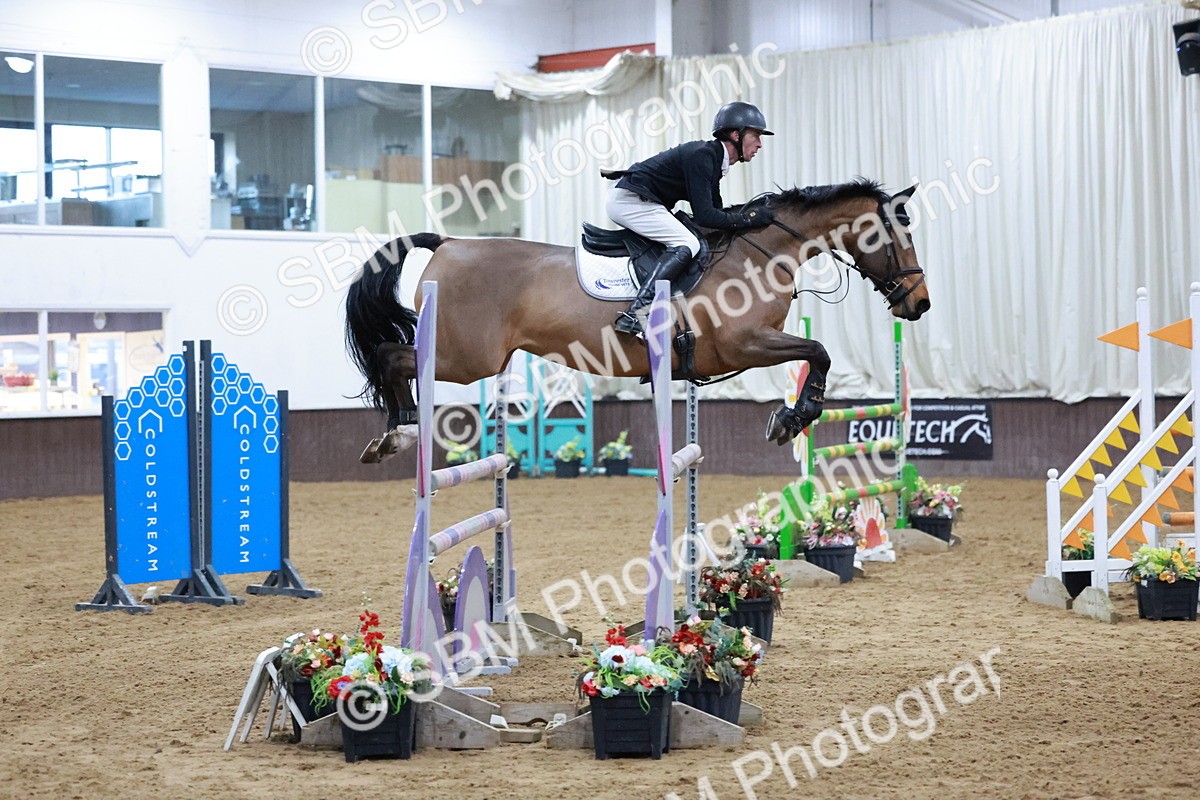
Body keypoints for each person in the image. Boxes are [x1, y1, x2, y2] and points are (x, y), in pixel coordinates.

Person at [603, 101, 776, 336]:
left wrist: (747, 217)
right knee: (687, 243)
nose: (760, 144)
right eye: (755, 135)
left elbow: (717, 212)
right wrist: (750, 219)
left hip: (641, 200)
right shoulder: (703, 156)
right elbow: (706, 216)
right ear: (736, 134)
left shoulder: (714, 160)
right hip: (629, 201)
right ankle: (636, 312)